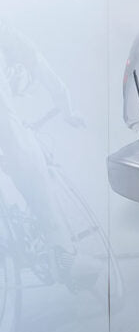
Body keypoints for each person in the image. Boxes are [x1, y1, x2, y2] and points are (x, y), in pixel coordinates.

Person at [0, 17, 85, 280]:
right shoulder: (13, 41)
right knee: (27, 157)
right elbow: (51, 78)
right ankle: (65, 256)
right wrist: (68, 112)